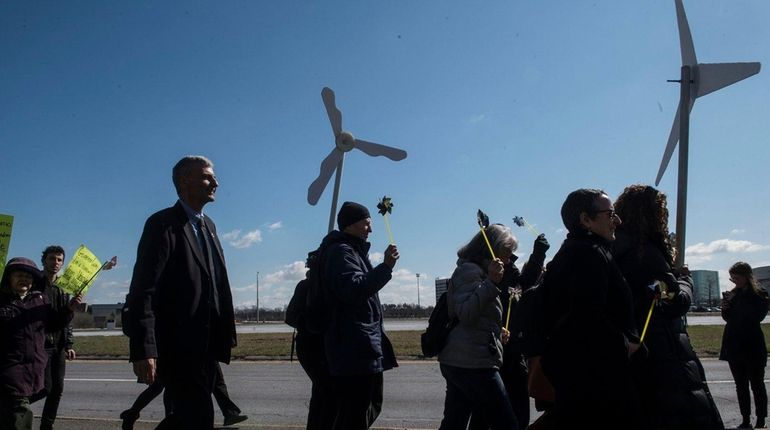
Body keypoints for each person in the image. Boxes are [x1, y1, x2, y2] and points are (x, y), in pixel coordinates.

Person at [125, 155, 237, 430]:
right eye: (207, 177)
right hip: (177, 345)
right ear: (185, 181)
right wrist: (144, 348)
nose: (216, 182)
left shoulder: (209, 226)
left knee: (187, 418)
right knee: (197, 418)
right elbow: (144, 289)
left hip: (208, 344)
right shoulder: (162, 224)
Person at [613, 184, 724, 430]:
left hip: (632, 350)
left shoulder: (613, 249)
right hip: (663, 352)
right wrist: (685, 281)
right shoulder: (646, 252)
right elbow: (674, 302)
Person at [539, 189, 639, 429]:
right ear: (586, 219)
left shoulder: (578, 251)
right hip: (595, 379)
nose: (617, 220)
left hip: (583, 375)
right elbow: (588, 316)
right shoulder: (588, 255)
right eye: (610, 213)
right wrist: (626, 345)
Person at [321, 201, 399, 430]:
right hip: (353, 346)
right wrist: (386, 267)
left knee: (367, 406)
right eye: (366, 224)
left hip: (361, 345)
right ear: (350, 225)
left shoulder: (352, 251)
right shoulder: (341, 251)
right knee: (355, 412)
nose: (370, 230)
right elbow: (353, 290)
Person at [437, 223, 520, 430]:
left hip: (464, 359)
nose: (509, 260)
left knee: (454, 421)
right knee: (506, 423)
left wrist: (496, 331)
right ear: (491, 248)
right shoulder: (470, 271)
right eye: (507, 253)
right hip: (472, 363)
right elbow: (465, 313)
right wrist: (491, 283)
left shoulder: (479, 272)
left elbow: (478, 317)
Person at [468, 233, 550, 430]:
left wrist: (538, 255)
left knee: (517, 410)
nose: (510, 255)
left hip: (512, 350)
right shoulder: (479, 271)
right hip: (491, 351)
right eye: (507, 250)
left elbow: (522, 284)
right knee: (486, 411)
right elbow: (471, 310)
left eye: (512, 251)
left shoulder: (507, 269)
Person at [0, 257, 81, 430]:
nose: (24, 279)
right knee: (20, 411)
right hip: (10, 369)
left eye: (28, 277)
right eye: (19, 275)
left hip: (35, 366)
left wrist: (69, 309)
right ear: (9, 278)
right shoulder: (1, 301)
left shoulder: (40, 300)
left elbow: (53, 324)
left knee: (41, 392)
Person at [119, 362, 247, 429]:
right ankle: (172, 418)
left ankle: (229, 412)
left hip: (194, 343)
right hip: (176, 346)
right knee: (165, 385)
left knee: (165, 385)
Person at [29, 246, 75, 430]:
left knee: (57, 389)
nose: (55, 263)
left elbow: (67, 318)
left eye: (59, 260)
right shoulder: (35, 283)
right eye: (51, 259)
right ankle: (11, 408)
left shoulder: (64, 287)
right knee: (45, 388)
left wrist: (69, 343)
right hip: (40, 344)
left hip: (59, 345)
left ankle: (47, 425)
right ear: (44, 260)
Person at [721, 262, 770, 429]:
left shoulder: (759, 294)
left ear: (746, 276)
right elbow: (727, 318)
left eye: (737, 278)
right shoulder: (733, 294)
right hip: (734, 344)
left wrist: (739, 302)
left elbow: (756, 316)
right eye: (732, 278)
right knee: (740, 385)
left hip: (752, 345)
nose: (734, 281)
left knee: (757, 383)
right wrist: (726, 306)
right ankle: (745, 419)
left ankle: (761, 419)